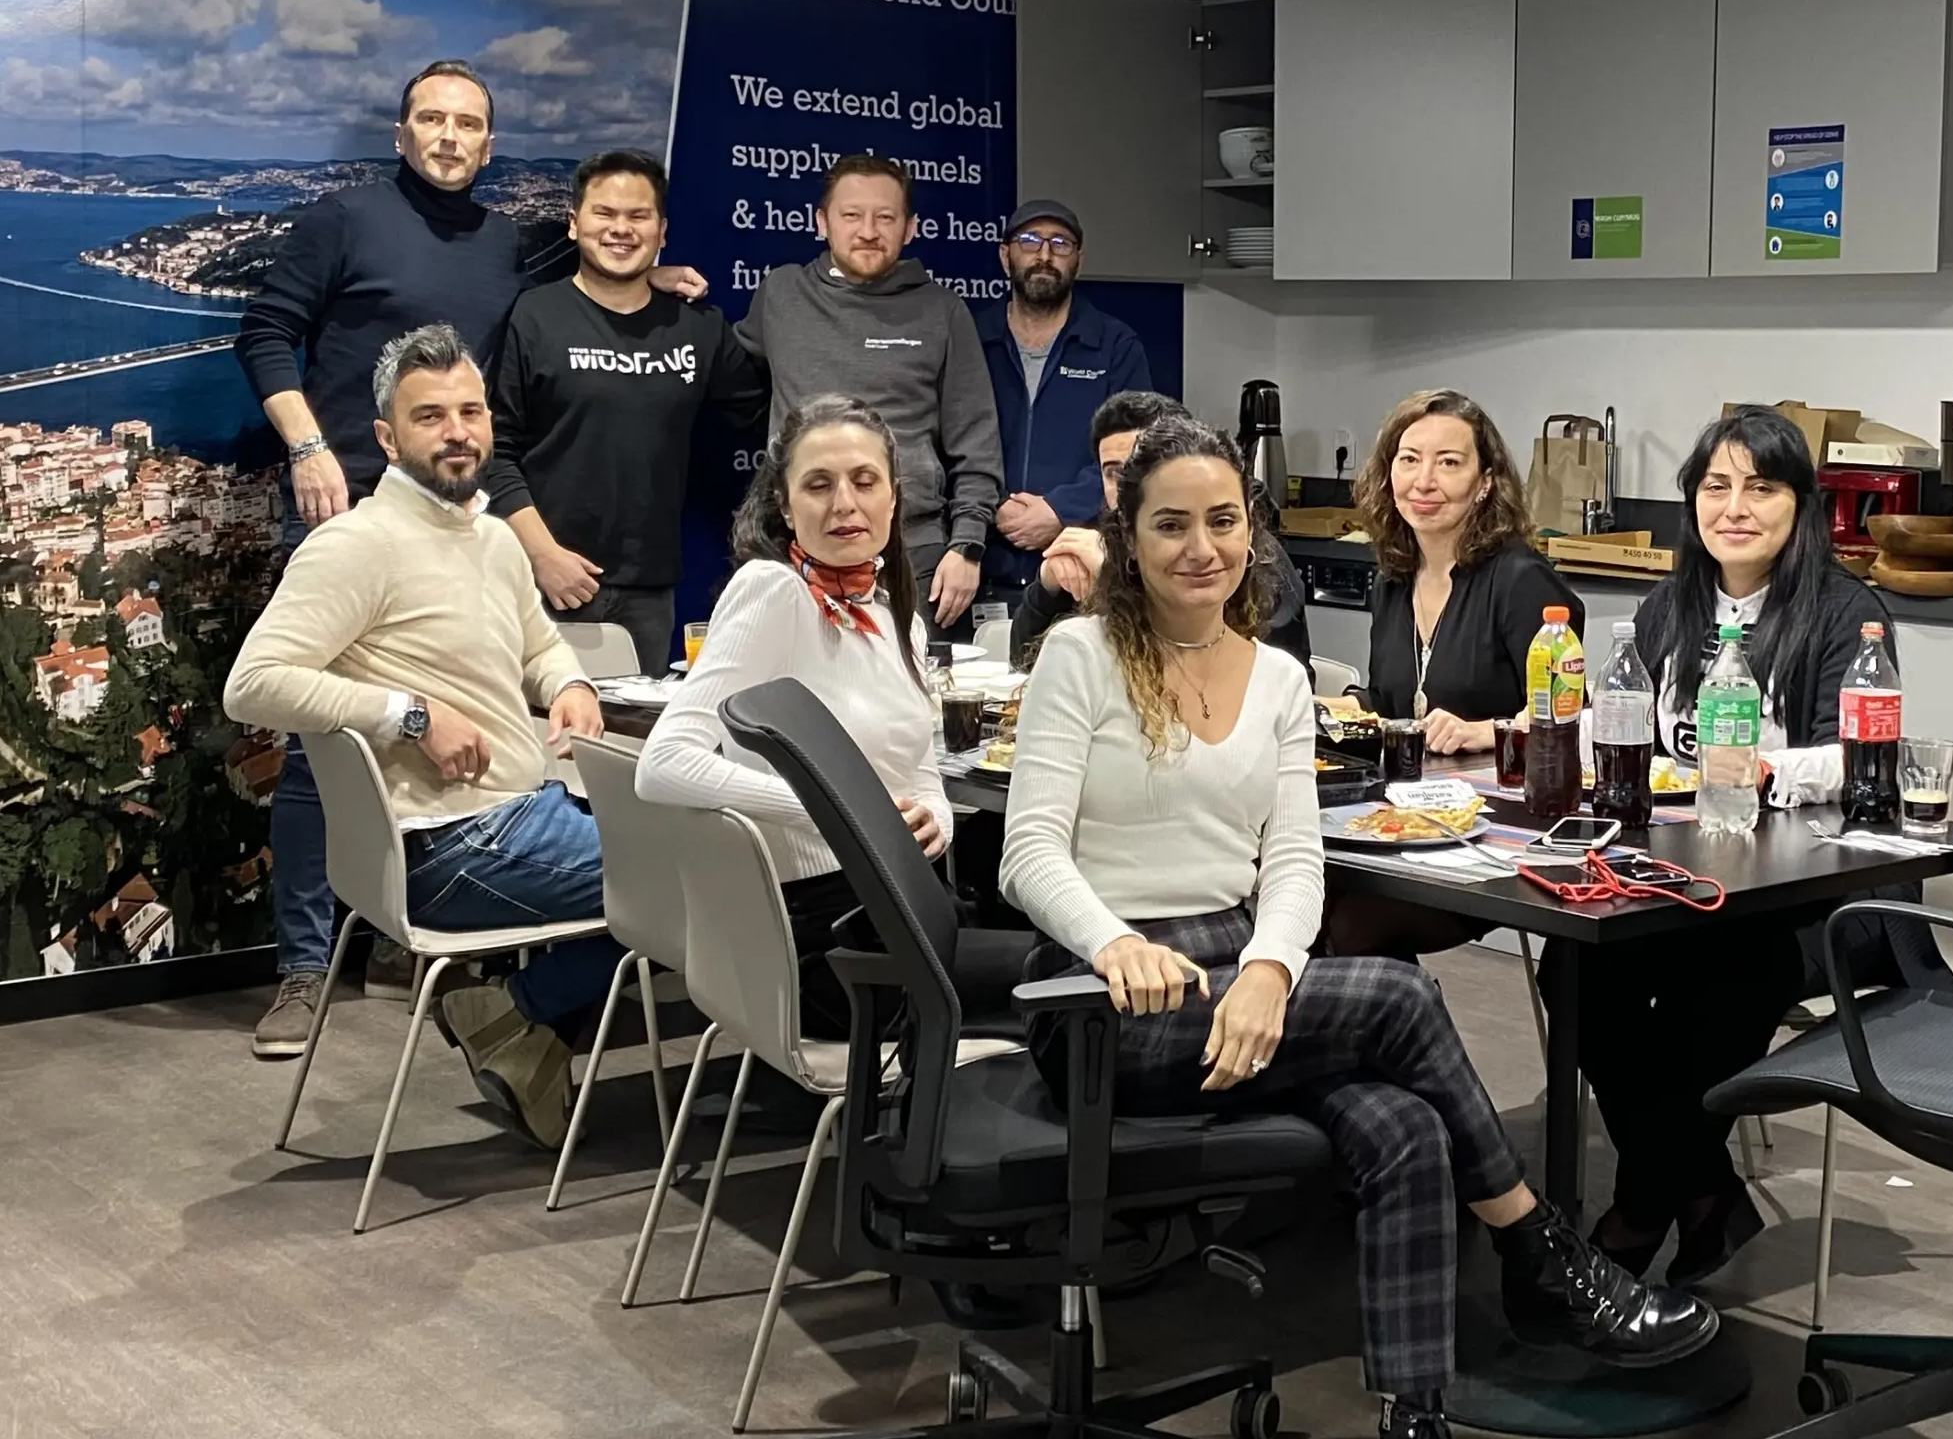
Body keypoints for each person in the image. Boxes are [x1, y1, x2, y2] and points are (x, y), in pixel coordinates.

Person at [998, 415, 1717, 1439]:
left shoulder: (1280, 680)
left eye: (1220, 521)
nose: (1199, 549)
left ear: (1250, 531)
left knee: (1406, 1128)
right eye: (1168, 526)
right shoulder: (1080, 657)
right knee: (1397, 994)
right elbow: (1026, 855)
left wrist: (1267, 973)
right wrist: (1113, 942)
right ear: (1126, 536)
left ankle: (1411, 1414)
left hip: (1236, 970)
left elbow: (1292, 862)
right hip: (1108, 994)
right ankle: (1539, 1256)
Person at [233, 59, 704, 1053]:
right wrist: (311, 448)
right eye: (431, 118)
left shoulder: (511, 244)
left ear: (490, 144)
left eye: (469, 123)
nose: (449, 136)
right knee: (322, 762)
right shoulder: (344, 219)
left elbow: (586, 271)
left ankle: (446, 938)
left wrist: (648, 283)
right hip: (349, 504)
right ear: (401, 131)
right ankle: (306, 970)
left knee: (482, 691)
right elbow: (266, 334)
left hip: (456, 511)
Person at [634, 392, 1035, 1332]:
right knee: (1067, 981)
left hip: (895, 910)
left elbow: (912, 764)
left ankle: (991, 1197)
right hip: (830, 944)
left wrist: (929, 806)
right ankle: (967, 1223)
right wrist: (840, 810)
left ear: (897, 498)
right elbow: (666, 763)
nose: (844, 502)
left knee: (1056, 952)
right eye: (819, 484)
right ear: (784, 505)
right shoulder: (775, 592)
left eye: (864, 481)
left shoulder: (889, 607)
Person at [1546, 405, 1953, 1288]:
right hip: (1688, 872)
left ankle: (1638, 1207)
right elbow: (1633, 740)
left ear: (1799, 505)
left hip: (1807, 900)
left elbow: (1860, 759)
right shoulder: (1669, 608)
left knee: (1721, 974)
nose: (1734, 506)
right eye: (1715, 486)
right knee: (1576, 966)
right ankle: (1704, 1193)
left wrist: (1765, 771)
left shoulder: (1847, 612)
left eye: (1760, 487)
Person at [224, 324, 621, 1149]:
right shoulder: (357, 544)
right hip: (450, 846)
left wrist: (570, 683)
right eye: (430, 416)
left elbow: (538, 644)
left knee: (709, 864)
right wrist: (410, 713)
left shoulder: (491, 538)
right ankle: (518, 1011)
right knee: (721, 871)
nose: (457, 432)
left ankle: (524, 1028)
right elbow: (251, 684)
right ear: (386, 437)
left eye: (470, 412)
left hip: (523, 815)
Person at [482, 149, 768, 674]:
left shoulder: (698, 327)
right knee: (539, 750)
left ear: (662, 231)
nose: (620, 229)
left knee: (629, 750)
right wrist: (544, 557)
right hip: (541, 583)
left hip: (649, 591)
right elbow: (494, 453)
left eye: (638, 216)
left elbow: (765, 412)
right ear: (574, 225)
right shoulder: (535, 315)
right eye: (604, 214)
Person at [735, 153, 1001, 637]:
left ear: (910, 228)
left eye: (885, 217)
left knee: (910, 706)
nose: (868, 230)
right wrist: (655, 281)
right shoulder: (781, 294)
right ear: (822, 222)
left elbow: (976, 442)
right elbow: (713, 361)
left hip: (912, 557)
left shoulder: (942, 310)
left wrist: (967, 547)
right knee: (795, 704)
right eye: (851, 215)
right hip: (795, 552)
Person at [1010, 391, 1310, 669]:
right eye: (1114, 473)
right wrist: (1047, 588)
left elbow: (1272, 682)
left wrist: (1109, 583)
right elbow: (1025, 664)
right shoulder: (1092, 540)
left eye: (1142, 470)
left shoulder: (1248, 555)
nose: (1128, 487)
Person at [1356, 390, 1583, 746]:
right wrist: (1309, 705)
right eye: (1409, 459)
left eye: (1448, 463)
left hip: (1502, 789)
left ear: (1485, 483)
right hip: (1412, 791)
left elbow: (1566, 711)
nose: (1424, 482)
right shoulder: (1393, 576)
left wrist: (1482, 732)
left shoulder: (1521, 580)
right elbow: (1389, 703)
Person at [973, 200, 1153, 603]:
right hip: (979, 568)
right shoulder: (970, 339)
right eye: (1030, 240)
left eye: (1060, 243)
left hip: (1081, 571)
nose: (1044, 254)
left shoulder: (1114, 346)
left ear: (1078, 260)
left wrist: (1058, 510)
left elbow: (1139, 450)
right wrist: (992, 507)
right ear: (1005, 256)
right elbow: (946, 443)